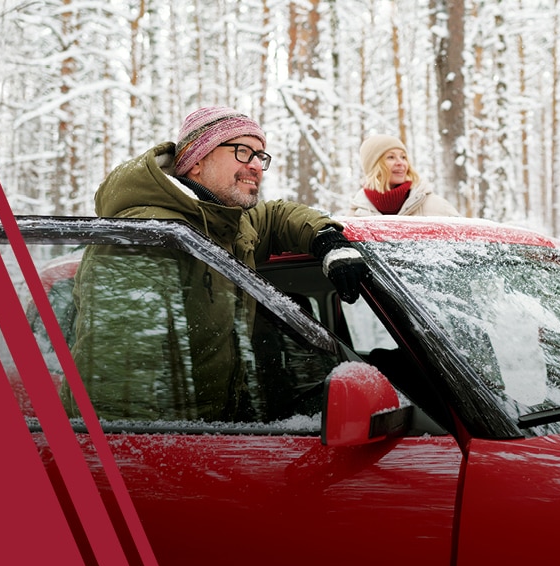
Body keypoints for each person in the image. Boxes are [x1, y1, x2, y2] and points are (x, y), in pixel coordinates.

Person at [63, 106, 368, 423]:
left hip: (208, 436)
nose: (255, 166)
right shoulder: (148, 237)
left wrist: (326, 238)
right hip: (162, 448)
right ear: (196, 161)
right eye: (242, 151)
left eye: (260, 156)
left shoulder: (224, 223)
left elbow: (276, 217)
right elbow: (121, 387)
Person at [341, 134, 459, 217]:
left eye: (403, 157)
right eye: (391, 157)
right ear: (374, 166)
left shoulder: (434, 205)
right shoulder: (357, 212)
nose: (401, 163)